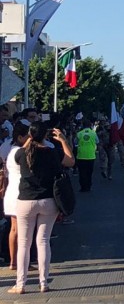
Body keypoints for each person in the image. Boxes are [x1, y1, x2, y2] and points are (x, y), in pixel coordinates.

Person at [10, 123, 75, 294]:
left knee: (24, 243)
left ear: (30, 135)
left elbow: (22, 152)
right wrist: (62, 140)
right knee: (43, 241)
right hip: (48, 201)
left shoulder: (21, 154)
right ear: (46, 136)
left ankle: (20, 284)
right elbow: (70, 160)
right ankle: (43, 282)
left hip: (25, 201)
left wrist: (31, 139)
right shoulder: (53, 153)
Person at [3, 122, 29, 273]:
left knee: (14, 229)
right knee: (21, 230)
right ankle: (18, 261)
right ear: (20, 137)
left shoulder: (11, 149)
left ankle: (14, 261)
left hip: (11, 191)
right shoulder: (20, 152)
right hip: (20, 193)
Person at [75, 118, 98, 192]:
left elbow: (75, 142)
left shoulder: (79, 133)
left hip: (81, 155)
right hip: (91, 155)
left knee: (82, 172)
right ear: (90, 125)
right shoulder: (93, 133)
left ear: (83, 125)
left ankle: (83, 187)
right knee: (89, 172)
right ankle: (88, 186)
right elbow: (97, 141)